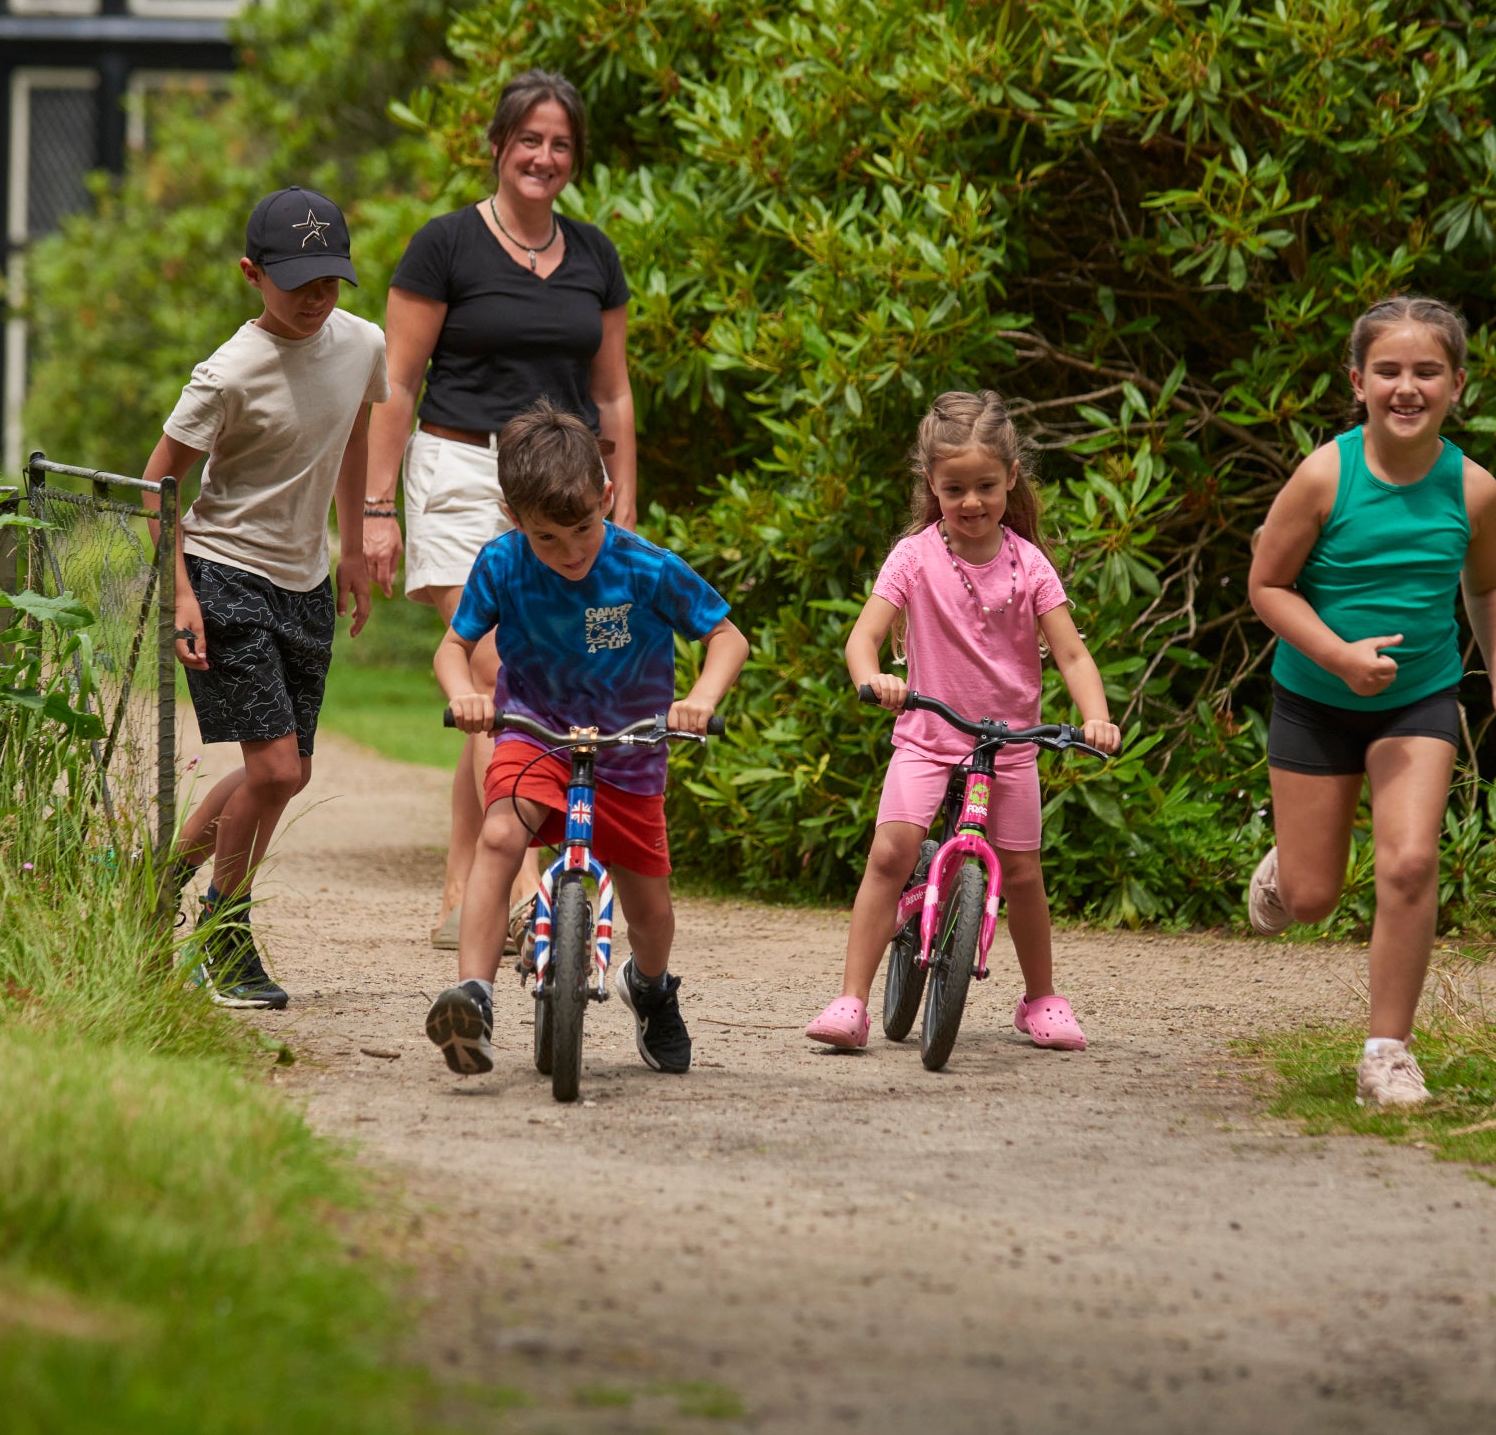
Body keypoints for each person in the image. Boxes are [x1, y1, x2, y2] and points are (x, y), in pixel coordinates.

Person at [360, 70, 638, 949]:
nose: (544, 157)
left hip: (562, 488)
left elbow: (614, 393)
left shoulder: (595, 256)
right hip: (460, 472)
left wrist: (619, 501)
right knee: (492, 672)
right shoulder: (444, 247)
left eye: (560, 144)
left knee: (509, 688)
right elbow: (395, 383)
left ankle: (457, 895)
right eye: (530, 140)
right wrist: (375, 507)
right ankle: (523, 885)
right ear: (497, 146)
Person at [1242, 294, 1496, 1109]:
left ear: (1458, 384)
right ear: (1358, 381)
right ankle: (1286, 873)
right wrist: (1336, 655)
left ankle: (1386, 1055)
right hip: (1315, 699)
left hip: (1420, 700)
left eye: (1427, 372)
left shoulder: (1473, 491)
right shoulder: (1325, 475)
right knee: (1313, 897)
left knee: (1409, 863)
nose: (1408, 387)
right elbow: (1267, 584)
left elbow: (1491, 588)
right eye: (1390, 371)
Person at [422, 405, 749, 1078]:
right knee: (500, 837)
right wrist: (464, 693)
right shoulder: (503, 563)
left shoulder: (645, 567)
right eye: (547, 537)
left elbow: (727, 637)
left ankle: (652, 990)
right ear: (513, 515)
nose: (569, 552)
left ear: (605, 498)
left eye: (581, 529)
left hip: (630, 750)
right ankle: (474, 996)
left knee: (651, 913)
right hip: (535, 733)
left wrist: (699, 700)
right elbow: (453, 648)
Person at [805, 393, 1123, 1053]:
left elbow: (1070, 652)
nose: (971, 501)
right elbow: (862, 640)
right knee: (891, 851)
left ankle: (1040, 998)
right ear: (932, 486)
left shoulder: (1029, 565)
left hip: (1008, 742)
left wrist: (1095, 717)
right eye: (954, 488)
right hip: (928, 732)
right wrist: (875, 679)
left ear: (1011, 477)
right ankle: (852, 1002)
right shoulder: (914, 557)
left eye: (985, 485)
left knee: (1025, 871)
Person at [141, 185, 388, 1010]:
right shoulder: (227, 373)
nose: (317, 299)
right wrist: (179, 590)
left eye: (329, 282)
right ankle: (224, 929)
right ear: (252, 274)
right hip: (223, 572)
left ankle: (158, 884)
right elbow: (155, 486)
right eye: (297, 284)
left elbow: (354, 433)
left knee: (287, 772)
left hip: (304, 580)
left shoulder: (361, 345)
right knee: (275, 768)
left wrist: (353, 546)